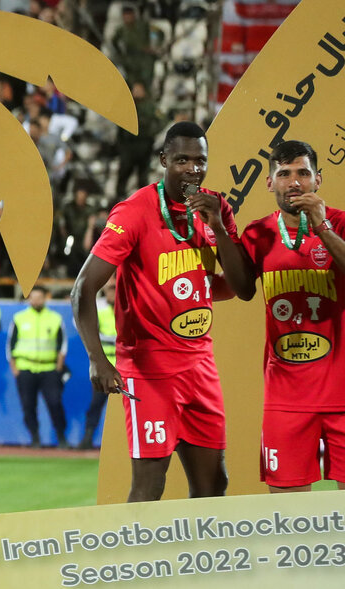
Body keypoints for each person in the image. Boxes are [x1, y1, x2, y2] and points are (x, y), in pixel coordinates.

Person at [72, 121, 249, 501]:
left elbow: (240, 287)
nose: (192, 169)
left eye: (200, 160)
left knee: (213, 484)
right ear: (164, 160)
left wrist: (217, 224)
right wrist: (97, 359)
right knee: (150, 483)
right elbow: (83, 288)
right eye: (182, 159)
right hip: (149, 367)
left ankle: (201, 561)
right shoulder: (135, 212)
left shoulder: (216, 209)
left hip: (199, 363)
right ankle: (132, 563)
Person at [232, 140, 345, 492]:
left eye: (303, 173)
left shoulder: (340, 223)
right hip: (286, 398)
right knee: (287, 515)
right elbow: (240, 289)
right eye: (284, 174)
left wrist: (321, 225)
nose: (294, 182)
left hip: (343, 393)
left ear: (318, 180)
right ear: (269, 182)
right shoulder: (257, 233)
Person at [9, 286, 68, 448]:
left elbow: (62, 345)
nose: (35, 300)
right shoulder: (19, 318)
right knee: (28, 405)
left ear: (45, 298)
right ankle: (35, 438)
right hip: (25, 368)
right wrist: (15, 369)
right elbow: (10, 345)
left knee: (55, 403)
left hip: (49, 368)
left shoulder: (55, 318)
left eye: (39, 297)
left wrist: (58, 368)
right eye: (32, 297)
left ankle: (62, 437)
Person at [79, 279, 118, 450]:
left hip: (125, 370)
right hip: (105, 370)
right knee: (95, 406)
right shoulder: (100, 312)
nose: (112, 293)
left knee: (122, 412)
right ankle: (87, 439)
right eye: (109, 290)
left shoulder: (127, 311)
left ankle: (118, 447)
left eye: (115, 290)